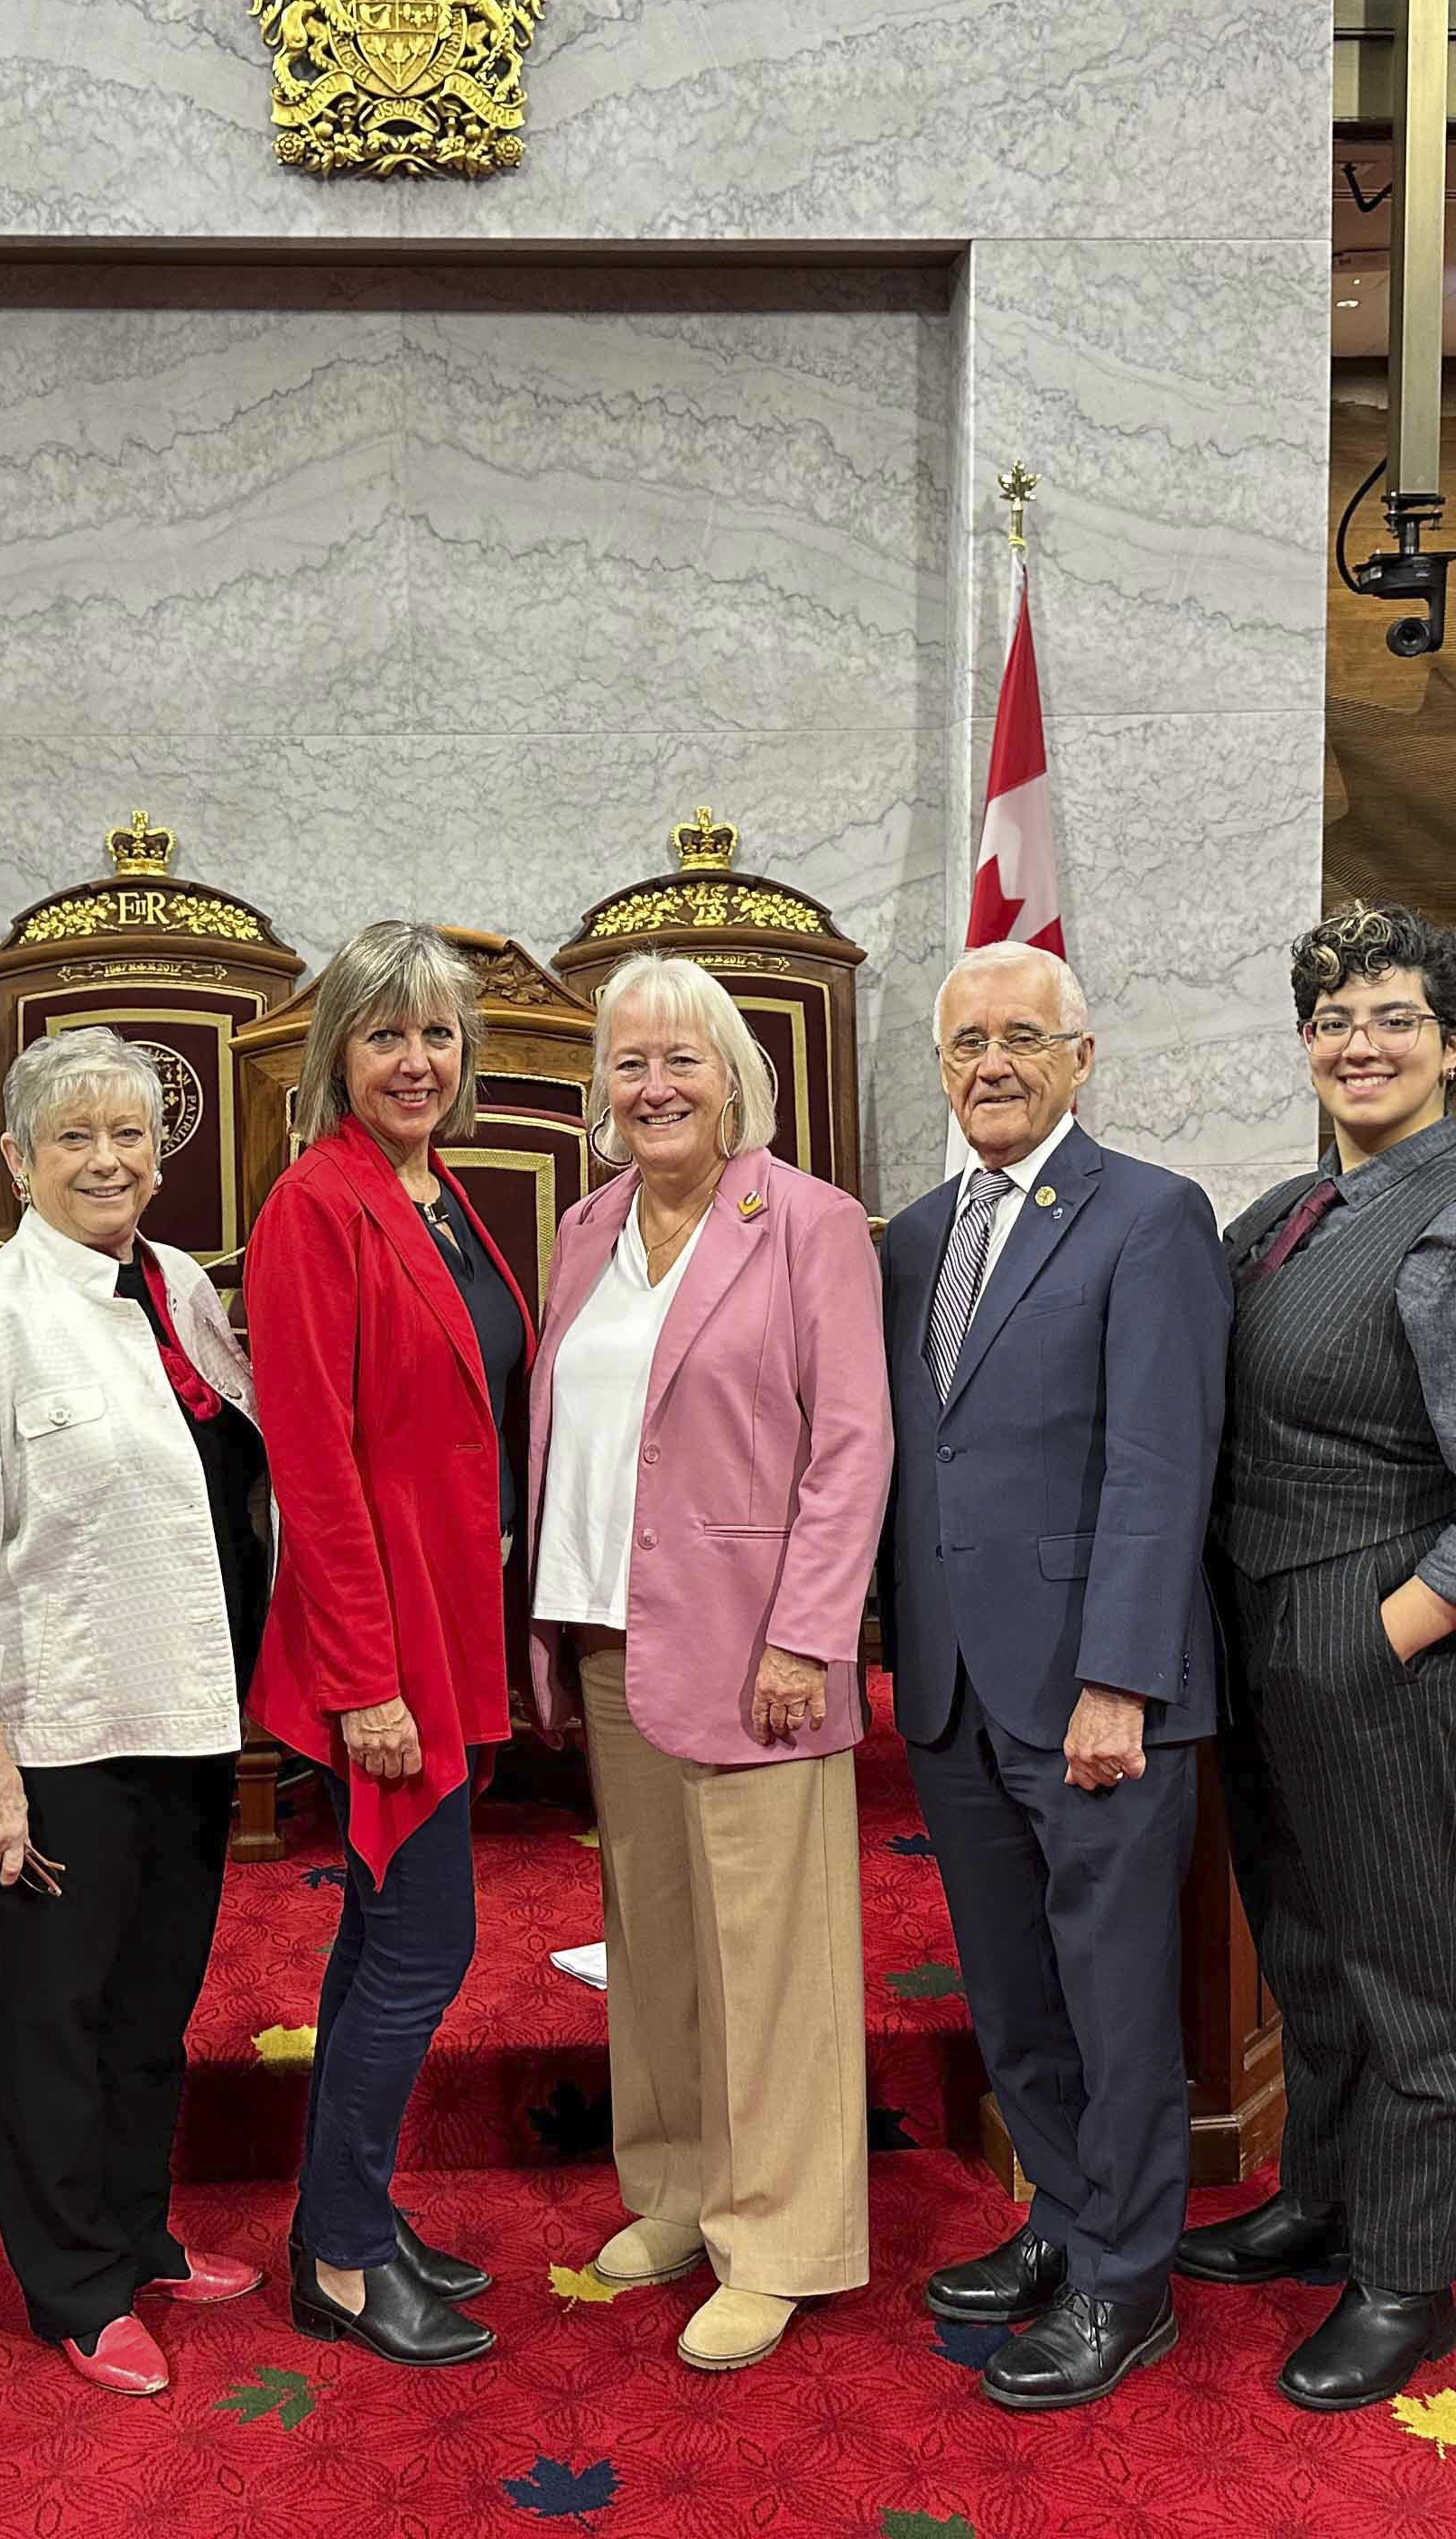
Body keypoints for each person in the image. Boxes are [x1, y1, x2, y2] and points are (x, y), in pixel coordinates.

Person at [1187, 900, 1456, 2413]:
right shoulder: (1290, 1213)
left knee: (1417, 1977)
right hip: (1264, 1642)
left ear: (1455, 1044)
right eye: (1335, 1022)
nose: (1361, 1045)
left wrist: (1380, 1638)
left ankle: (1407, 2281)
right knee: (1308, 1950)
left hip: (1380, 1654)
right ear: (1305, 1044)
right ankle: (1322, 2203)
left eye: (1395, 1021)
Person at [525, 956, 893, 2375]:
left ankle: (780, 2235)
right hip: (619, 1632)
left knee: (771, 1956)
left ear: (737, 1076)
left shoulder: (805, 1224)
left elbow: (853, 1445)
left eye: (682, 1060)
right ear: (600, 1089)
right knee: (658, 1941)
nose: (655, 1086)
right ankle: (676, 2190)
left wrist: (809, 1632)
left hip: (759, 1653)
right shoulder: (589, 1225)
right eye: (629, 1064)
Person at [877, 940, 1227, 2413]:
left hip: (1097, 1695)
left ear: (1083, 1056)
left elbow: (1161, 1463)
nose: (993, 1067)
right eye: (967, 1046)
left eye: (1024, 1038)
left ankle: (1128, 2280)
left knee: (1113, 1994)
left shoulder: (1149, 1216)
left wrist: (1121, 1680)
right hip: (955, 1688)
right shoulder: (908, 1237)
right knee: (1014, 1995)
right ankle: (1068, 2222)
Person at [0, 1028, 271, 2400]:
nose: (110, 1159)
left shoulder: (175, 1284)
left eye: (130, 1135)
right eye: (75, 1137)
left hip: (185, 1714)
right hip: (55, 1739)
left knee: (154, 2005)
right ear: (17, 1159)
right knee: (56, 2015)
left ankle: (137, 2228)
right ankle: (72, 2283)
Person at [251, 921, 530, 2368]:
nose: (415, 1060)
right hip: (386, 1640)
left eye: (435, 1035)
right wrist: (365, 1684)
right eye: (384, 1035)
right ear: (336, 1055)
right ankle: (343, 2262)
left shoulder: (441, 1197)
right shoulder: (318, 1205)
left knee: (383, 1939)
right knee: (426, 1944)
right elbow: (316, 1464)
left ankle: (343, 2214)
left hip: (448, 1622)